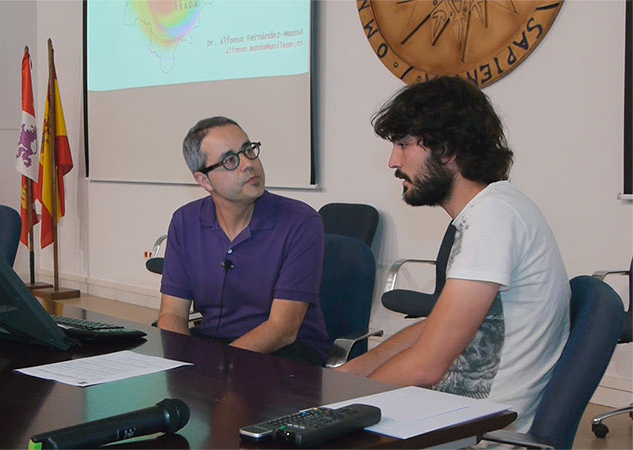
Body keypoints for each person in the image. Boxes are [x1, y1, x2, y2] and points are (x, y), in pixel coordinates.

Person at [337, 76, 570, 433]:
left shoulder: (493, 218)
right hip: (454, 417)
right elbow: (435, 330)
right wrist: (351, 374)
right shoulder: (492, 210)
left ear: (446, 149)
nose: (392, 161)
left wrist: (342, 407)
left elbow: (427, 366)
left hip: (478, 434)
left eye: (403, 144)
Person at [157, 116, 331, 366]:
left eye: (249, 150)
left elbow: (282, 329)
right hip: (214, 351)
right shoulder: (185, 221)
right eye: (230, 160)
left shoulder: (301, 222)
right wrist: (182, 365)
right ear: (204, 181)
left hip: (286, 356)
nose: (248, 164)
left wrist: (216, 369)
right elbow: (172, 314)